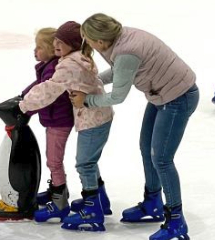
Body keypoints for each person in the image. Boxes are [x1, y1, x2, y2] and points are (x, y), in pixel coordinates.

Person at [76, 13, 198, 240]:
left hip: (178, 98)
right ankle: (153, 203)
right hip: (161, 96)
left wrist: (86, 100)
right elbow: (120, 71)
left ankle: (176, 221)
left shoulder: (126, 51)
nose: (87, 45)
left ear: (101, 41)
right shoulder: (119, 40)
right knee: (146, 148)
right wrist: (94, 82)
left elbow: (118, 96)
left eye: (88, 40)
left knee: (161, 159)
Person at [19, 21, 114, 231]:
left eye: (61, 42)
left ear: (72, 43)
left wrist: (24, 105)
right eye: (55, 41)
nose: (56, 45)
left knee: (84, 164)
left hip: (92, 118)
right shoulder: (78, 57)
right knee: (90, 160)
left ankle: (92, 209)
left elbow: (49, 89)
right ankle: (100, 200)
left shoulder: (69, 64)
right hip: (97, 116)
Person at [20, 28, 75, 222]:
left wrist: (25, 108)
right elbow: (38, 86)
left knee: (53, 160)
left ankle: (59, 201)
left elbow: (46, 96)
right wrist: (21, 96)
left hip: (59, 122)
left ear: (52, 50)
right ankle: (56, 190)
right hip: (54, 120)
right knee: (53, 158)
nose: (35, 51)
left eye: (39, 47)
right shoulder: (48, 66)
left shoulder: (53, 69)